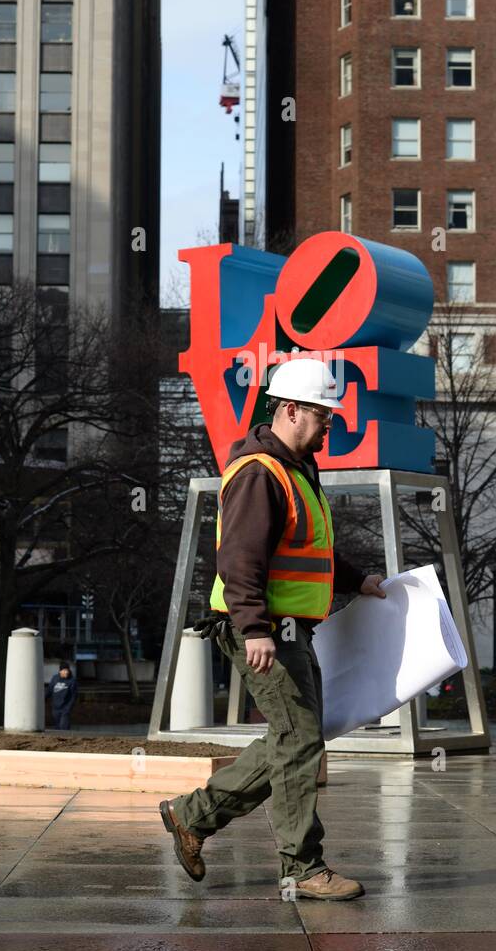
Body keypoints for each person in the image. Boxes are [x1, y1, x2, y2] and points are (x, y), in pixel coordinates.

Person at [160, 357, 386, 902]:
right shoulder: (261, 472)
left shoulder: (293, 470)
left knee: (293, 738)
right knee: (300, 739)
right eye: (322, 415)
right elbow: (240, 558)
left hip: (284, 628)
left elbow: (308, 548)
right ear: (288, 410)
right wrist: (255, 627)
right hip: (261, 629)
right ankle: (303, 868)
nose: (330, 425)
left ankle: (191, 816)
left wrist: (359, 580)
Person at [45, 661, 78, 730]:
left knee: (64, 727)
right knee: (57, 727)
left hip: (65, 708)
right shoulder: (55, 678)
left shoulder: (72, 680)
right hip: (55, 708)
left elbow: (73, 696)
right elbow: (49, 690)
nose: (66, 672)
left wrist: (68, 708)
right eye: (64, 670)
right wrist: (43, 699)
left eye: (67, 670)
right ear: (60, 671)